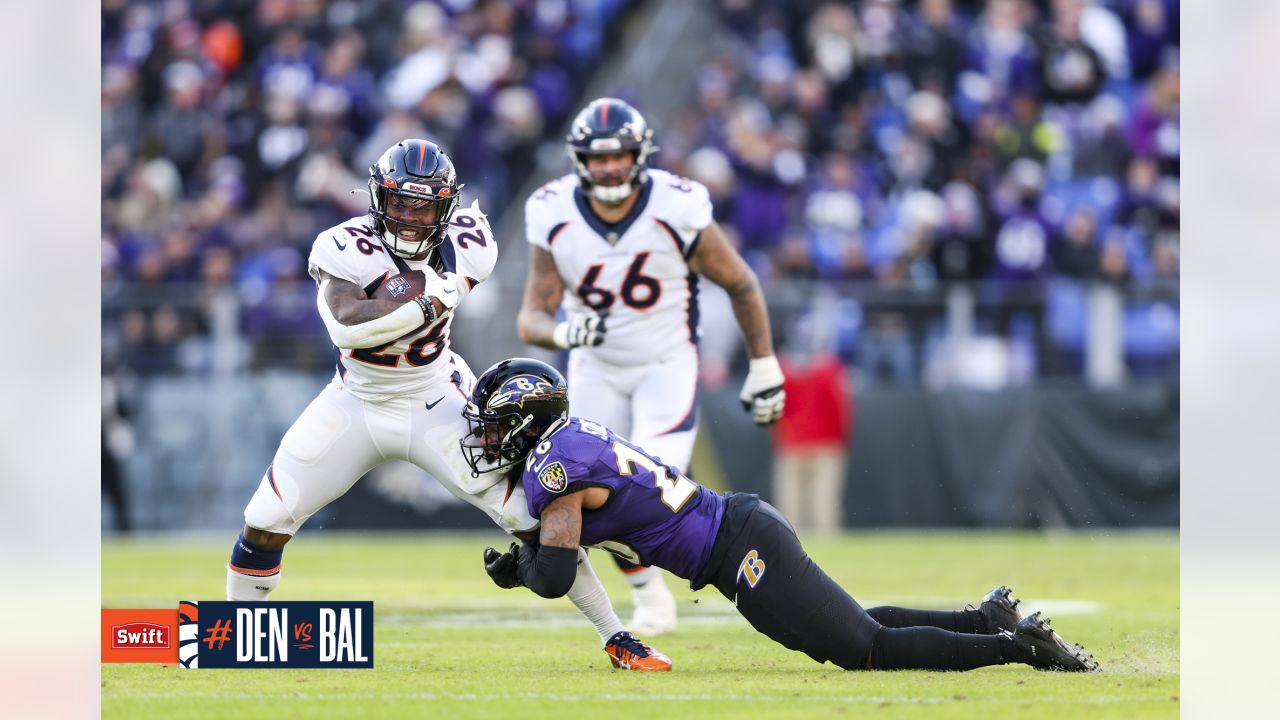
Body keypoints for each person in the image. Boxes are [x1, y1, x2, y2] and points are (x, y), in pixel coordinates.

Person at [224, 139, 671, 672]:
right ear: (378, 199)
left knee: (527, 515)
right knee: (267, 516)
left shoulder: (469, 241)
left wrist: (416, 296)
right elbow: (346, 326)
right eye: (401, 204)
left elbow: (396, 300)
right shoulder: (341, 245)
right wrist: (428, 300)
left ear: (447, 208)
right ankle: (237, 639)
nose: (411, 220)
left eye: (425, 207)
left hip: (435, 395)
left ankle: (618, 634)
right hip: (356, 398)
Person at [464, 358, 1100, 673]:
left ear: (526, 422)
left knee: (865, 651)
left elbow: (554, 572)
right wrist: (524, 561)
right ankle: (986, 616)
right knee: (850, 627)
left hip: (738, 546)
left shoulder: (555, 469)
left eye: (495, 427)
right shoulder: (569, 442)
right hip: (737, 534)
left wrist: (517, 570)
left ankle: (1018, 647)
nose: (487, 439)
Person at [517, 97, 787, 636]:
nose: (610, 167)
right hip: (593, 366)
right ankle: (647, 590)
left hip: (666, 362)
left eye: (619, 155)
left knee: (644, 495)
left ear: (640, 154)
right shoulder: (551, 211)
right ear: (579, 161)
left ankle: (694, 583)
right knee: (591, 492)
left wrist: (764, 363)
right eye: (598, 158)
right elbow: (532, 317)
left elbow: (739, 281)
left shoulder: (677, 204)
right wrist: (565, 332)